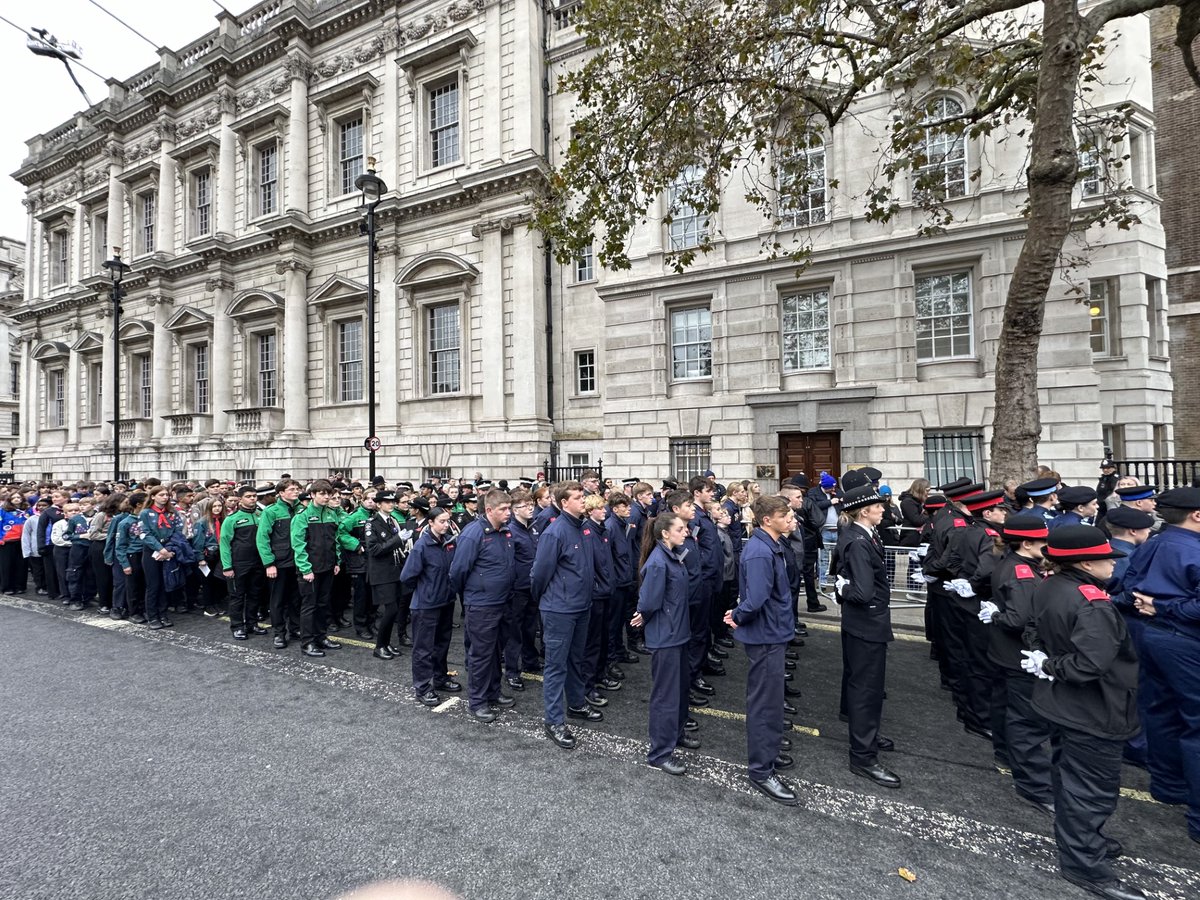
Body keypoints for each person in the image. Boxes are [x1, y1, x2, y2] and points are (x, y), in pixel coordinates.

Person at [1024, 525, 1144, 900]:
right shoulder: (1092, 603)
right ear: (1088, 563)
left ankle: (1078, 840)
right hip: (1092, 707)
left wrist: (1047, 661)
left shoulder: (1049, 585)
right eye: (1107, 558)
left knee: (1068, 777)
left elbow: (1032, 631)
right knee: (1090, 791)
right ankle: (1084, 865)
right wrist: (1052, 666)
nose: (1112, 563)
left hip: (1062, 704)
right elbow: (1089, 664)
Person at [1122, 486, 1200, 848]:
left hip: (1155, 636)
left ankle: (1168, 785)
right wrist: (1167, 608)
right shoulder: (1191, 547)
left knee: (1162, 709)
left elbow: (1129, 584)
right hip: (1184, 638)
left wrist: (1155, 606)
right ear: (1196, 515)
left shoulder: (1153, 542)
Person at [724, 495, 798, 806]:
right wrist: (737, 616)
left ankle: (769, 749)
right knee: (764, 703)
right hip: (765, 635)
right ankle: (760, 769)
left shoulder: (771, 545)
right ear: (767, 520)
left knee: (772, 699)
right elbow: (755, 599)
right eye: (785, 514)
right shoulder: (758, 551)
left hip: (773, 631)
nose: (791, 518)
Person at [978, 514, 1054, 815]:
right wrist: (998, 616)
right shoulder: (1021, 571)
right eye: (1042, 542)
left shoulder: (1014, 564)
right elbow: (1019, 619)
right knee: (1025, 720)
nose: (1046, 547)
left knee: (1003, 707)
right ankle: (1034, 783)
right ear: (1026, 543)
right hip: (1017, 654)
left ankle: (1005, 755)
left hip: (1004, 653)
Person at [831, 485, 899, 789]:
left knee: (861, 683)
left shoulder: (863, 536)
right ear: (864, 511)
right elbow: (862, 591)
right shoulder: (858, 541)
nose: (883, 509)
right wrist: (842, 590)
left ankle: (864, 733)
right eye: (878, 506)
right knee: (867, 688)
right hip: (866, 622)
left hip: (865, 621)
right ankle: (863, 756)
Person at [530, 481, 600, 750]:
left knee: (576, 659)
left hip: (581, 606)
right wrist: (549, 600)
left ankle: (577, 704)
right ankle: (553, 720)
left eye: (583, 496)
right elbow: (539, 574)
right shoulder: (555, 532)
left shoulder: (583, 527)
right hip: (559, 609)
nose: (584, 500)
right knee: (556, 665)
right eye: (579, 497)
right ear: (563, 503)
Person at [449, 489, 517, 722]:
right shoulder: (473, 534)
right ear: (489, 510)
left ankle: (493, 692)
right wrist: (473, 594)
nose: (508, 513)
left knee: (497, 651)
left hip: (503, 602)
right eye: (503, 509)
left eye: (509, 508)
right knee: (481, 654)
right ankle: (477, 701)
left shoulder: (505, 532)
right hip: (482, 605)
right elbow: (458, 571)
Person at [633, 513, 693, 774]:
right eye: (680, 529)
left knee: (680, 691)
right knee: (665, 696)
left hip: (678, 633)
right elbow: (649, 601)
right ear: (665, 534)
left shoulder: (673, 556)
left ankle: (675, 734)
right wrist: (642, 614)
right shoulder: (659, 562)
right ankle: (659, 752)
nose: (685, 532)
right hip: (665, 636)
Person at [402, 507, 460, 707]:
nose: (446, 525)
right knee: (423, 648)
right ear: (431, 523)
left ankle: (441, 677)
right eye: (442, 521)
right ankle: (423, 687)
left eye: (447, 521)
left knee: (442, 644)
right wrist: (426, 590)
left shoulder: (450, 542)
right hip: (426, 604)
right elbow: (407, 576)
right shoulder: (422, 546)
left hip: (446, 601)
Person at [290, 480, 343, 658]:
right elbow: (298, 545)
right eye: (322, 493)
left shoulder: (331, 514)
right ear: (312, 495)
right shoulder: (302, 516)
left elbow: (335, 540)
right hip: (310, 570)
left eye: (328, 493)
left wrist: (336, 561)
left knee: (323, 604)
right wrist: (305, 569)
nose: (326, 497)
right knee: (309, 606)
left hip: (327, 568)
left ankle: (321, 637)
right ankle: (307, 642)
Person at [258, 479, 303, 649]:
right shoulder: (272, 511)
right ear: (281, 493)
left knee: (296, 598)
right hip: (279, 562)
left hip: (298, 562)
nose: (296, 491)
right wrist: (269, 563)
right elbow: (262, 538)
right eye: (291, 489)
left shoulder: (301, 509)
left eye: (297, 489)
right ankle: (279, 633)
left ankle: (295, 628)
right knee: (277, 600)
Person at [220, 485, 268, 640]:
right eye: (248, 496)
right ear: (240, 499)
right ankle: (237, 626)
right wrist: (227, 566)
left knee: (255, 595)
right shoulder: (231, 519)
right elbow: (225, 544)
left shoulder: (261, 515)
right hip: (239, 564)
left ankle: (252, 624)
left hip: (258, 562)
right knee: (237, 597)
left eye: (254, 496)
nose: (253, 498)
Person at [363, 491, 407, 661]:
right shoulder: (371, 523)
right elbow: (374, 550)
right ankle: (380, 645)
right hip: (381, 573)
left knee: (394, 609)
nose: (391, 504)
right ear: (379, 504)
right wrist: (397, 539)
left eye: (392, 502)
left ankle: (387, 643)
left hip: (394, 570)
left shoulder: (392, 521)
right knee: (391, 609)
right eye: (387, 502)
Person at [503, 489, 540, 690]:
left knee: (530, 627)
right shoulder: (511, 531)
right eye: (526, 506)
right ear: (515, 510)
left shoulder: (533, 528)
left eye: (531, 505)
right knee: (514, 631)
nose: (530, 509)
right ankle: (511, 670)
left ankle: (530, 661)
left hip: (531, 586)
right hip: (517, 588)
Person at [137, 486, 183, 629]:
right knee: (153, 585)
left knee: (165, 584)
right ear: (153, 497)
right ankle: (152, 616)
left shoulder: (172, 513)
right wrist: (160, 549)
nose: (165, 497)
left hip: (168, 551)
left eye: (167, 495)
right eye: (161, 495)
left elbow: (177, 531)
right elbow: (145, 534)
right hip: (152, 552)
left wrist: (169, 549)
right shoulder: (145, 513)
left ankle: (163, 613)